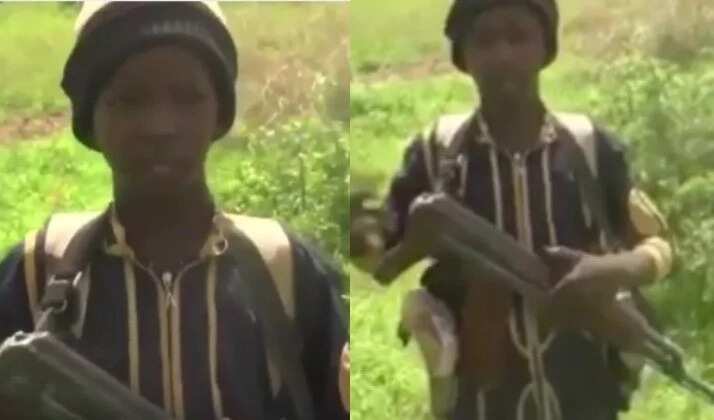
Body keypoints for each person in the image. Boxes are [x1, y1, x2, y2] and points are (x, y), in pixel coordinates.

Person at [0, 2, 348, 419]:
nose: (160, 125)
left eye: (187, 98)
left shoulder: (286, 270)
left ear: (220, 114)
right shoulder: (37, 274)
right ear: (90, 121)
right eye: (129, 100)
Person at [351, 0, 673, 419]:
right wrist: (412, 241)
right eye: (484, 41)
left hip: (585, 393)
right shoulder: (436, 155)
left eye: (518, 37)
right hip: (481, 398)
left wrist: (612, 270)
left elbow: (659, 247)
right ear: (463, 57)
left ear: (545, 48)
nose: (502, 54)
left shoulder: (590, 148)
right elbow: (375, 257)